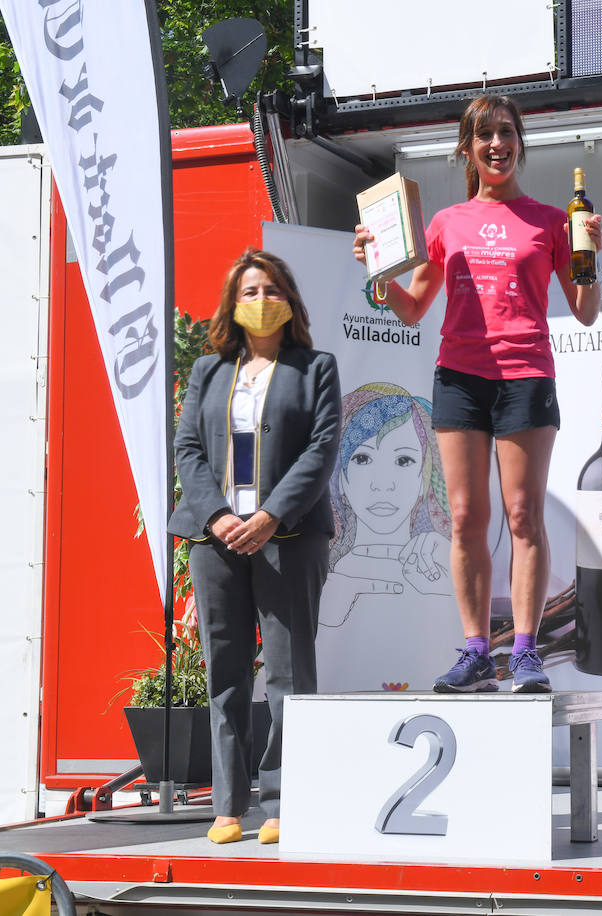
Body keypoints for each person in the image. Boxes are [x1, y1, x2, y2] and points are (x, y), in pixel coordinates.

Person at [352, 95, 602, 693]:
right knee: (465, 517)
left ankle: (523, 650)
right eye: (484, 134)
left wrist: (592, 248)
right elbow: (412, 310)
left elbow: (587, 313)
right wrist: (378, 270)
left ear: (520, 143)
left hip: (525, 375)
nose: (497, 144)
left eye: (507, 133)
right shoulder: (445, 223)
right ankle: (472, 651)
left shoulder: (549, 221)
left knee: (524, 515)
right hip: (460, 377)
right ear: (467, 148)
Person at [169, 248, 341, 845]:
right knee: (227, 673)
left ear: (289, 300)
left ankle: (283, 800)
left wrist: (270, 514)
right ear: (232, 305)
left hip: (288, 537)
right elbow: (187, 449)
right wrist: (216, 516)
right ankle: (227, 804)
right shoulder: (208, 372)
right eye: (249, 293)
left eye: (271, 291)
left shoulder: (316, 367)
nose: (261, 302)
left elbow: (321, 450)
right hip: (214, 540)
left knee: (289, 674)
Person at [317, 382, 462, 691]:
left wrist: (451, 594)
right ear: (339, 477)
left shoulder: (448, 564)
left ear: (426, 476)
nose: (383, 484)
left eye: (404, 460)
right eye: (363, 458)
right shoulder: (317, 571)